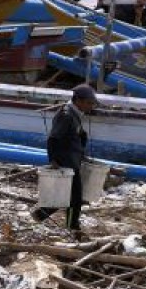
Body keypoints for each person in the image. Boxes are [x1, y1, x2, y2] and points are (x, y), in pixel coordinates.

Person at [32, 84, 98, 231]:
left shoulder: (75, 114)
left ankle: (41, 214)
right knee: (74, 198)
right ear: (78, 101)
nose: (91, 106)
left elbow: (76, 136)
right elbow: (53, 138)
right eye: (89, 103)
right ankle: (72, 227)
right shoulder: (66, 116)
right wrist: (53, 160)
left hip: (73, 159)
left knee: (67, 195)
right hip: (66, 161)